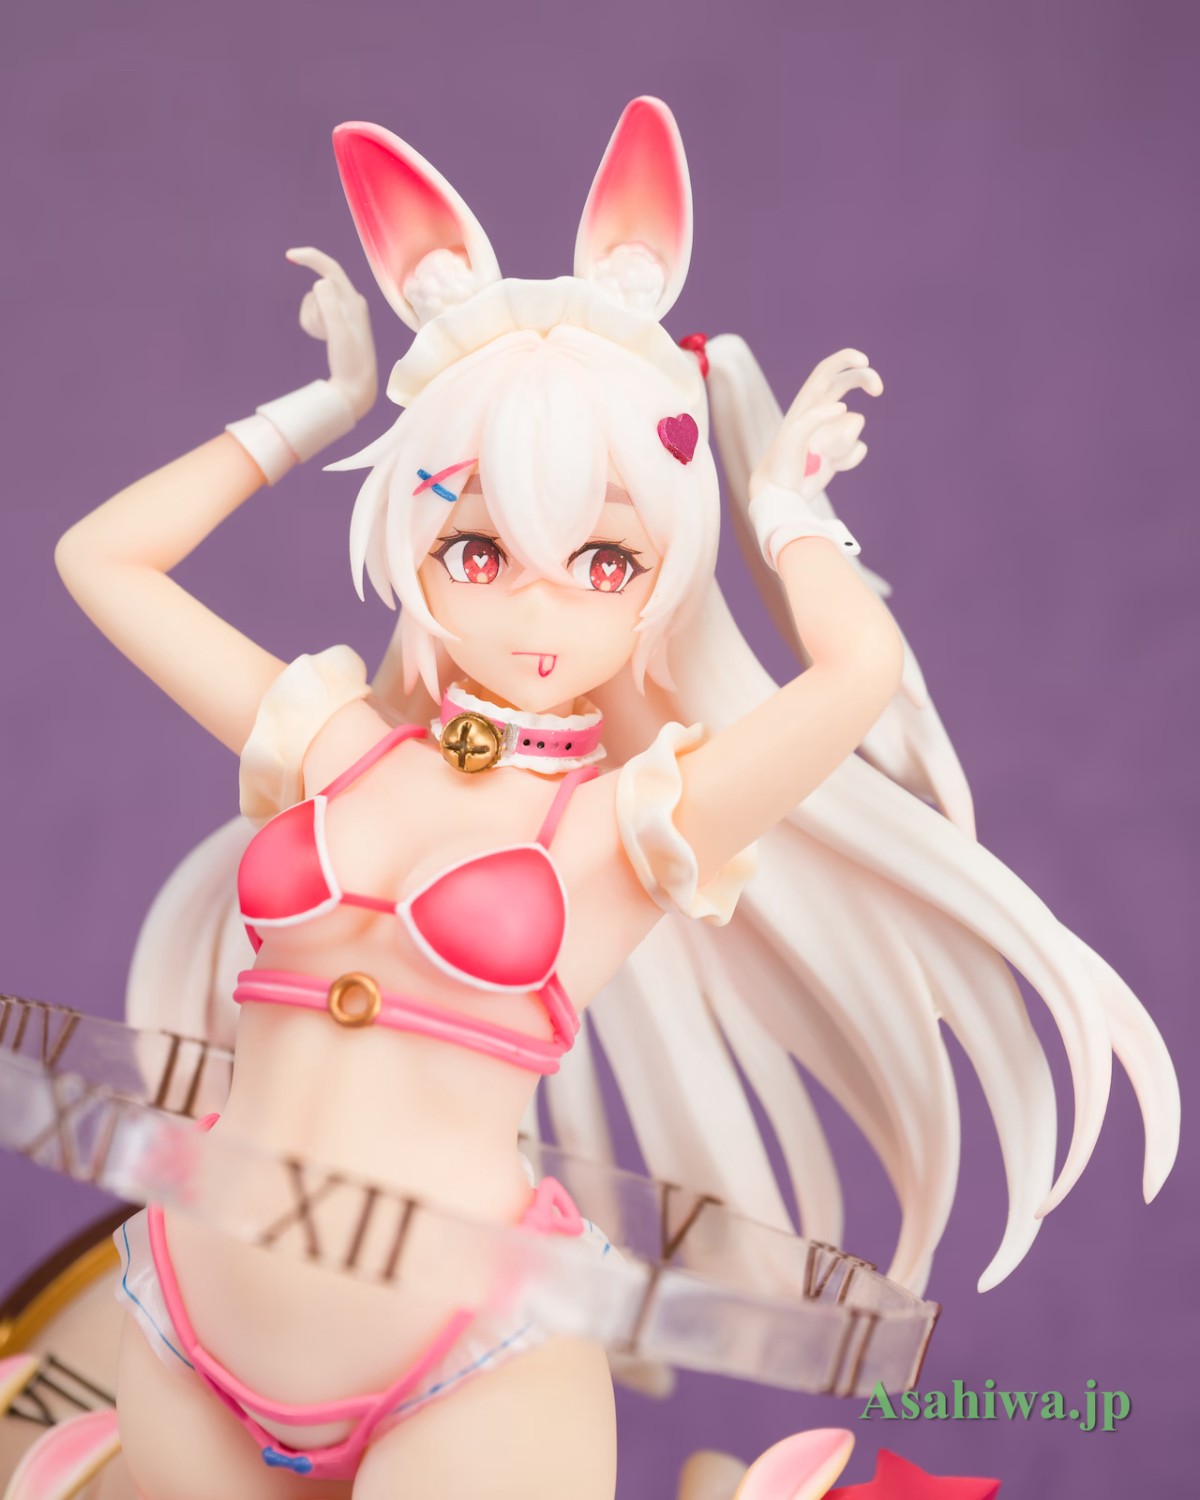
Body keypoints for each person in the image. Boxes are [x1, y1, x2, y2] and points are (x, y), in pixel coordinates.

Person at [46, 98, 1175, 1499]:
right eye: (478, 548)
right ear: (415, 543)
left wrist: (789, 510)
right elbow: (102, 560)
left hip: (461, 1348)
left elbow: (857, 671)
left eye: (604, 562)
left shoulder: (631, 828)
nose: (538, 605)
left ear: (659, 589)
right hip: (190, 1297)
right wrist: (319, 413)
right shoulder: (333, 744)